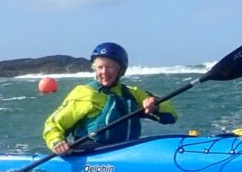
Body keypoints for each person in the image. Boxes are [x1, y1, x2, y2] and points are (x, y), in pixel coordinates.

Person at [43, 42, 178, 155]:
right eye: (100, 67)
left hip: (129, 151)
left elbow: (171, 115)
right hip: (92, 156)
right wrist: (57, 141)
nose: (104, 72)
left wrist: (155, 105)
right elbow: (54, 125)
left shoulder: (132, 93)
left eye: (109, 67)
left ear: (120, 70)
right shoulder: (85, 94)